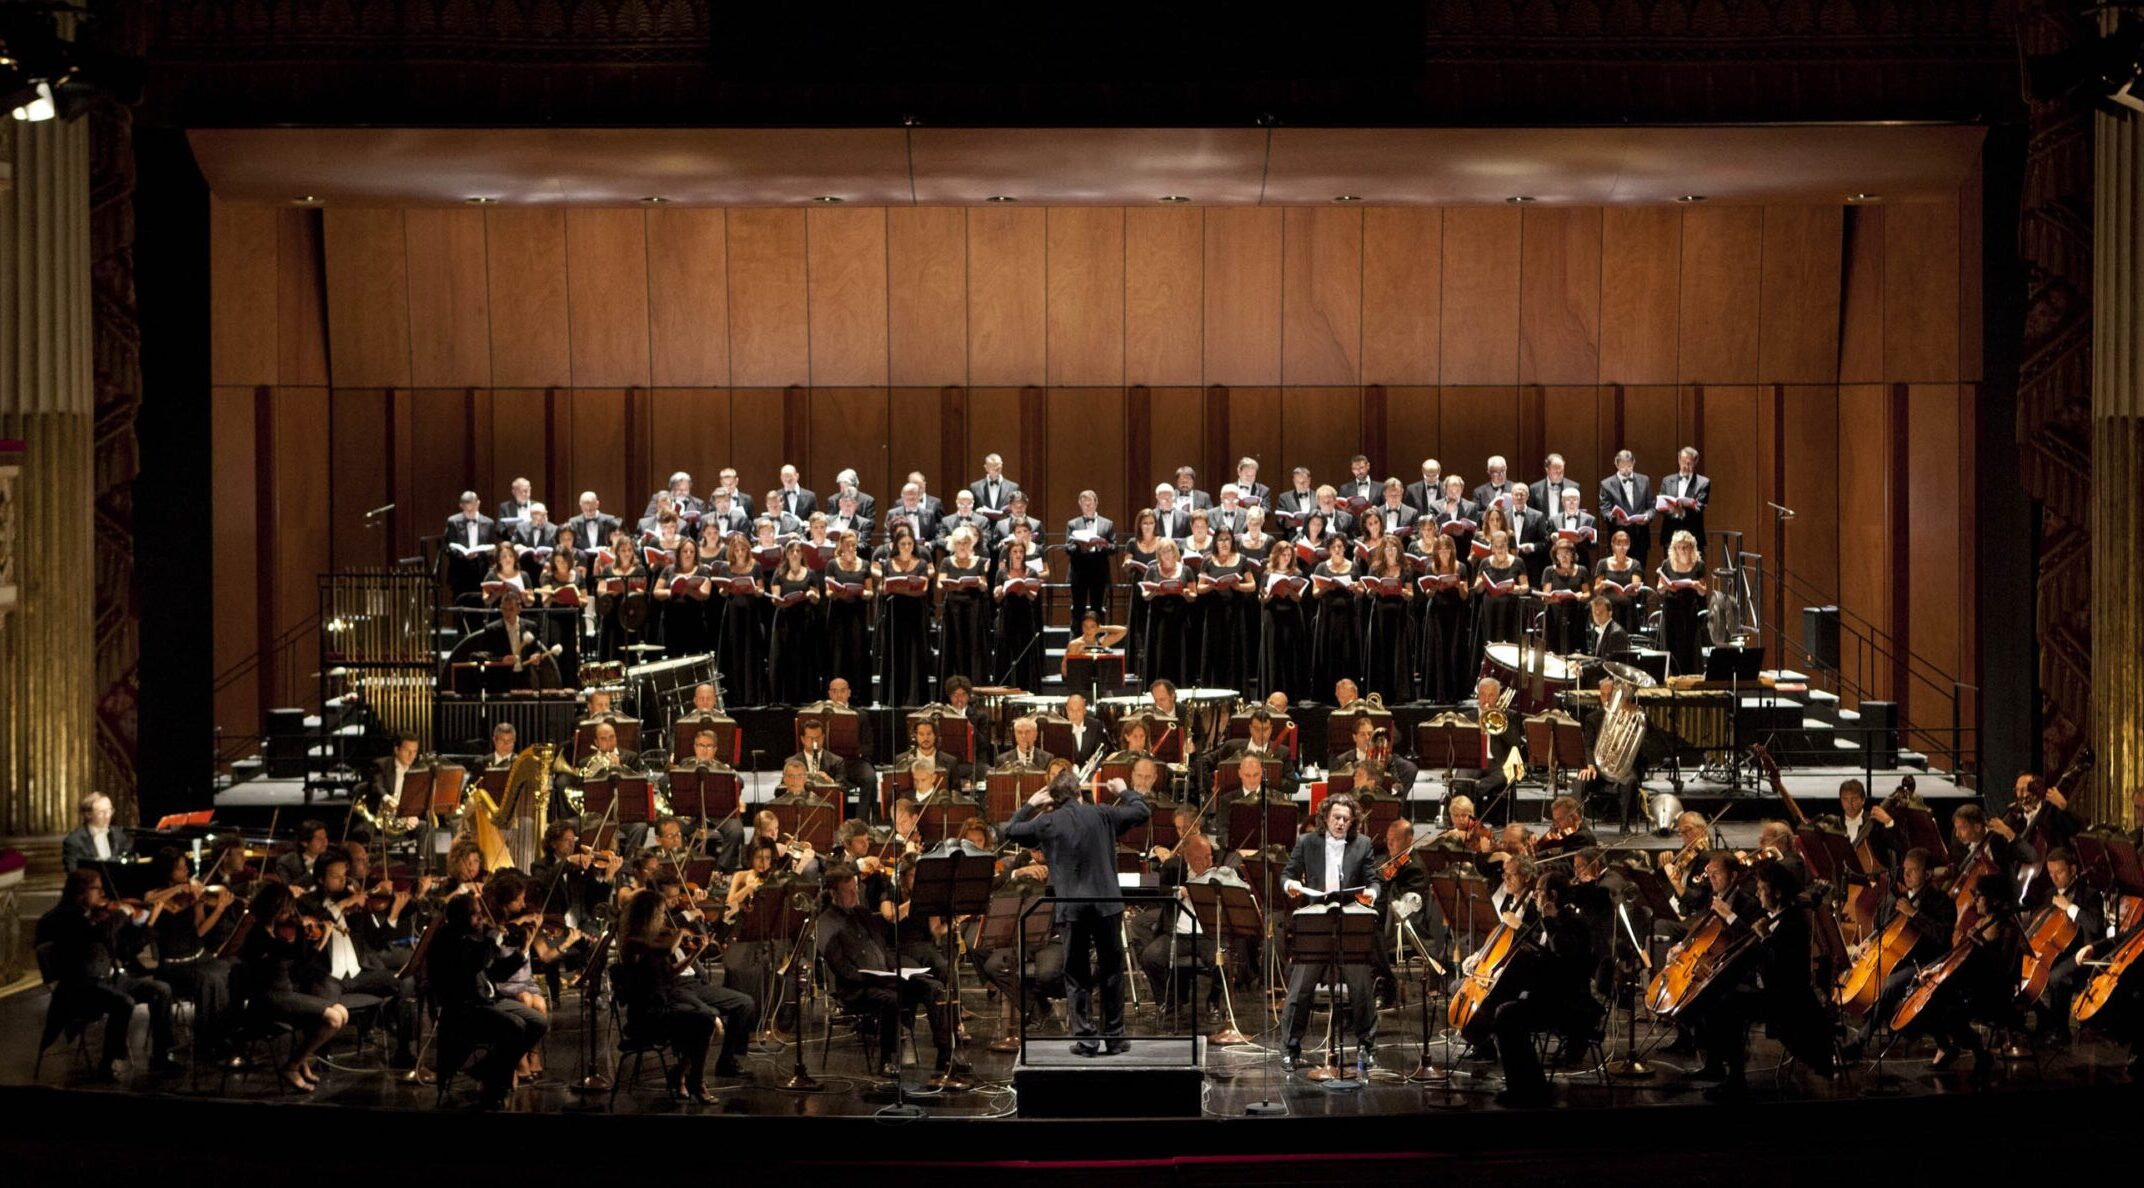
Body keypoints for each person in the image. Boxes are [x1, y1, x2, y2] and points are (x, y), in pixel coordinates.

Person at [1003, 770, 1152, 1055]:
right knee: (1111, 970)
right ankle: (1115, 1036)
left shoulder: (1047, 821)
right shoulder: (1102, 814)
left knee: (1076, 973)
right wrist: (1123, 790)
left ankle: (1086, 1038)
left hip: (1072, 907)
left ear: (1054, 799)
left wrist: (1031, 804)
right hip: (1106, 904)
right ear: (1079, 793)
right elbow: (1142, 811)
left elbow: (1009, 830)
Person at [1687, 858, 1836, 1100]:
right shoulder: (1776, 915)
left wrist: (1765, 937)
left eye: (1762, 888)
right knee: (1716, 995)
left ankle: (1735, 1080)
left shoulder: (1793, 921)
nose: (1757, 893)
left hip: (1786, 999)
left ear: (1777, 892)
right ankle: (1715, 1065)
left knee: (1729, 1005)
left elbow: (1780, 967)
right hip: (1769, 991)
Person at [818, 864, 964, 1082]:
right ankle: (888, 1059)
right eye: (849, 891)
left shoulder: (862, 913)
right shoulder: (825, 923)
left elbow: (883, 949)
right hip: (858, 987)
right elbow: (842, 969)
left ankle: (946, 1057)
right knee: (891, 1000)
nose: (855, 894)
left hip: (885, 977)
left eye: (855, 889)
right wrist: (875, 977)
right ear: (833, 894)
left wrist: (897, 971)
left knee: (933, 987)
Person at [36, 869, 181, 1080]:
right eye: (98, 889)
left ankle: (161, 1055)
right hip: (79, 986)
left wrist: (149, 925)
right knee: (123, 1002)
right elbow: (95, 934)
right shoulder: (63, 917)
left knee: (161, 989)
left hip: (111, 980)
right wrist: (121, 913)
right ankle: (108, 1062)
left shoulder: (100, 915)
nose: (103, 894)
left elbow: (126, 951)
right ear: (81, 891)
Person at [1278, 793, 1384, 1071]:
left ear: (1352, 822)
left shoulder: (1362, 844)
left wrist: (1372, 893)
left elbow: (1373, 880)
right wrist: (1289, 885)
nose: (1340, 823)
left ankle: (1366, 1046)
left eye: (1345, 819)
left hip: (1348, 915)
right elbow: (1287, 874)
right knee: (1300, 987)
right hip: (1317, 916)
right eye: (1336, 817)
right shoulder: (1307, 842)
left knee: (1360, 985)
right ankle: (1290, 1048)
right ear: (1325, 817)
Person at [1486, 870, 1601, 1107]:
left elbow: (1565, 959)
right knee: (1507, 1012)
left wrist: (1548, 922)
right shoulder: (1552, 923)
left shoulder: (1573, 923)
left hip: (1570, 1005)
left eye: (1539, 892)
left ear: (1552, 896)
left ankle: (1528, 1088)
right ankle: (1526, 1084)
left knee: (1507, 1016)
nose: (1535, 897)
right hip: (1550, 997)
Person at [424, 889, 546, 1108]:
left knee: (538, 1021)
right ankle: (494, 1087)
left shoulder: (475, 938)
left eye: (480, 912)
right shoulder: (448, 941)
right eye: (475, 914)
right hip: (465, 1008)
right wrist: (491, 940)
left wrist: (523, 951)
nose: (481, 918)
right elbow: (472, 965)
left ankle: (485, 1070)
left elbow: (496, 973)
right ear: (460, 918)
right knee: (516, 1026)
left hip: (488, 1000)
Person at [1842, 847, 1956, 1057]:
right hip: (1900, 959)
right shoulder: (1899, 899)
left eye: (1913, 870)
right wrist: (1872, 941)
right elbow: (1886, 929)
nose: (1907, 875)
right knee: (1874, 975)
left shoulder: (1942, 902)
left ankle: (1860, 1042)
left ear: (1928, 874)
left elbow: (1941, 936)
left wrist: (1914, 914)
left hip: (1928, 963)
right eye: (1905, 870)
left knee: (1892, 983)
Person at [2022, 847, 2103, 1042]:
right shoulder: (2049, 893)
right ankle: (2045, 1020)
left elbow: (2095, 925)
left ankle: (2061, 1030)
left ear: (2073, 870)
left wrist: (2069, 907)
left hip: (2081, 953)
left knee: (2055, 976)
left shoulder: (2090, 895)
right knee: (2022, 973)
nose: (2055, 878)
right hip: (2055, 951)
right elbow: (2039, 923)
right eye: (2051, 873)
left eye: (2059, 872)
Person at [1414, 531, 1473, 703]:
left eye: (1447, 549)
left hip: (1455, 613)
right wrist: (1432, 589)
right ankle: (1438, 693)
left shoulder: (1461, 567)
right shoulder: (1430, 568)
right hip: (1436, 613)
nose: (1444, 552)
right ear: (1436, 551)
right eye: (1441, 549)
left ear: (1452, 550)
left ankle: (1455, 693)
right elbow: (1428, 594)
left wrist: (1460, 586)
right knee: (1438, 651)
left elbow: (1465, 596)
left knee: (1454, 650)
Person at [766, 540, 825, 704]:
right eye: (791, 551)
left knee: (804, 657)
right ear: (786, 554)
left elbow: (817, 598)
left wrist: (812, 596)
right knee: (784, 657)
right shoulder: (779, 573)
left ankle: (806, 696)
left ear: (802, 554)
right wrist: (780, 600)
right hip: (784, 620)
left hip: (804, 619)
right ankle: (785, 697)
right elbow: (775, 598)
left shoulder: (810, 574)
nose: (795, 554)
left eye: (798, 551)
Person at [822, 531, 875, 701]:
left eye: (854, 545)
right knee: (838, 654)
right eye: (848, 545)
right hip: (838, 613)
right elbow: (828, 591)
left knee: (857, 653)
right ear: (841, 546)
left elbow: (869, 590)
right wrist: (839, 593)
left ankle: (858, 695)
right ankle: (836, 696)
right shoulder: (832, 564)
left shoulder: (865, 564)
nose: (851, 548)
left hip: (857, 614)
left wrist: (865, 594)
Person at [714, 533, 766, 706]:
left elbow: (760, 589)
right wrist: (724, 591)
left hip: (751, 612)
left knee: (751, 653)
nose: (740, 553)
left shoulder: (756, 566)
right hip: (733, 613)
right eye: (737, 550)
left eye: (743, 549)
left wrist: (757, 591)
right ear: (732, 551)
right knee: (734, 652)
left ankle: (751, 696)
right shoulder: (725, 568)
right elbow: (722, 592)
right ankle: (734, 697)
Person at [1258, 539, 1312, 706]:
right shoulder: (1267, 574)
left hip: (1292, 617)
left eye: (1289, 555)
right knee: (1274, 653)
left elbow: (1299, 598)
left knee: (1291, 653)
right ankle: (1273, 695)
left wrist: (1290, 590)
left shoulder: (1297, 573)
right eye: (1283, 555)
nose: (1286, 558)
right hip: (1273, 616)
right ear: (1276, 555)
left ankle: (1292, 694)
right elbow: (1261, 597)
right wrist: (1267, 596)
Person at [936, 526, 991, 689]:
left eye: (966, 542)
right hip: (953, 610)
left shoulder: (980, 561)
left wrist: (980, 583)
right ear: (954, 544)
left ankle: (975, 686)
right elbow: (940, 584)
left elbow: (985, 586)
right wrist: (951, 585)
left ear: (972, 544)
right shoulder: (947, 562)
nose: (962, 546)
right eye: (959, 543)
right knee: (955, 647)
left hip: (974, 609)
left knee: (974, 647)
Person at [1308, 535, 1363, 699]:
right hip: (1327, 617)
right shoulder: (1321, 567)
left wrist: (1355, 588)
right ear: (1329, 550)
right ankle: (1326, 693)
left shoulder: (1354, 567)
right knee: (1329, 652)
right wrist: (1327, 587)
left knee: (1347, 653)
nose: (1337, 550)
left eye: (1340, 546)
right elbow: (1315, 594)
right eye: (1333, 547)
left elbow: (1361, 592)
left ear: (1345, 547)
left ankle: (1348, 694)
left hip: (1348, 617)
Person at [1362, 535, 1414, 704]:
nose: (1390, 552)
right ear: (1382, 551)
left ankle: (1399, 693)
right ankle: (1380, 693)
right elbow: (1368, 593)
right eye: (1387, 549)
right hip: (1379, 615)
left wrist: (1403, 593)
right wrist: (1374, 590)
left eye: (1393, 549)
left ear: (1398, 550)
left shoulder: (1405, 569)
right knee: (1380, 651)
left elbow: (1410, 594)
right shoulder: (1375, 568)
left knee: (1398, 653)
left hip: (1399, 616)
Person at [994, 537, 1045, 689]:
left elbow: (1033, 596)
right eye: (1015, 551)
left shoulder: (1032, 572)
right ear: (1009, 553)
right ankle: (1004, 689)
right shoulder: (1002, 572)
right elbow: (996, 597)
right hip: (1007, 616)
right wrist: (1000, 591)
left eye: (1021, 552)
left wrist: (1024, 590)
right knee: (1005, 654)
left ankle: (1026, 688)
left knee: (1025, 654)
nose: (1018, 555)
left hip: (1025, 617)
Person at [1656, 529, 1707, 675]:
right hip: (1671, 610)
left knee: (1688, 647)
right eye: (1679, 547)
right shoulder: (1667, 564)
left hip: (1689, 611)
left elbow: (1704, 591)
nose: (1682, 550)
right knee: (1671, 647)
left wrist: (1696, 585)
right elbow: (1659, 588)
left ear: (1691, 547)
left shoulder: (1699, 565)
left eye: (1685, 547)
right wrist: (1666, 586)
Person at [1598, 450, 1654, 566]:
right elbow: (1604, 510)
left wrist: (1647, 517)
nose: (1626, 470)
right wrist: (1615, 519)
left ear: (1634, 463)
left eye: (1629, 466)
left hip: (1640, 537)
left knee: (1640, 574)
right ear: (1616, 464)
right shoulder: (1607, 484)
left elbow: (1651, 506)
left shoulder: (1645, 480)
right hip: (1618, 537)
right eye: (1622, 467)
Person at [60, 790, 132, 872]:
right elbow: (74, 873)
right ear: (88, 814)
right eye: (102, 812)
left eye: (110, 811)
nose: (108, 816)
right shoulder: (74, 841)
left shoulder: (118, 835)